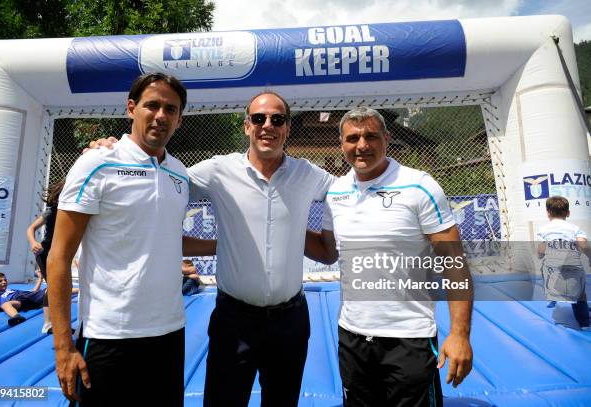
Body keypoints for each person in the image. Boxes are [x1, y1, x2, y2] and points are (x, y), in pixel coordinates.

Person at [89, 91, 335, 406]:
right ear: (247, 126)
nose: (267, 126)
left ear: (287, 128)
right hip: (235, 320)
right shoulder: (218, 170)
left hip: (291, 322)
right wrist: (114, 153)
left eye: (278, 119)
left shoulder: (308, 174)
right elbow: (157, 182)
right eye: (259, 118)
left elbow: (350, 191)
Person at [47, 72, 215, 405]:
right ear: (131, 108)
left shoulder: (179, 173)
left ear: (180, 119)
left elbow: (166, 239)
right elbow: (59, 257)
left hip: (168, 334)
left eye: (171, 109)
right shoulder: (96, 163)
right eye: (152, 105)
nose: (160, 116)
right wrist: (63, 347)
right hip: (108, 336)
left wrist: (226, 244)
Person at [306, 107, 473, 406]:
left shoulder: (420, 186)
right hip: (353, 336)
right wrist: (284, 226)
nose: (362, 145)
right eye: (353, 138)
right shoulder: (336, 192)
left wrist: (460, 335)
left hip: (409, 338)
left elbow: (454, 265)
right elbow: (328, 253)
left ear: (387, 138)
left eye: (371, 136)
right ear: (341, 144)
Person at [536, 196, 591, 330]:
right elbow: (584, 246)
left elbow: (541, 249)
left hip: (553, 267)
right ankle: (585, 323)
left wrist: (540, 255)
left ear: (548, 212)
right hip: (573, 264)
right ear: (568, 213)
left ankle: (551, 296)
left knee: (544, 268)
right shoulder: (574, 228)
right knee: (580, 293)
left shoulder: (544, 229)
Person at [27, 179, 65, 280]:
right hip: (45, 252)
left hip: (61, 253)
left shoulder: (76, 213)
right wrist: (33, 243)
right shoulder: (52, 212)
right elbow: (31, 228)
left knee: (60, 282)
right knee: (53, 282)